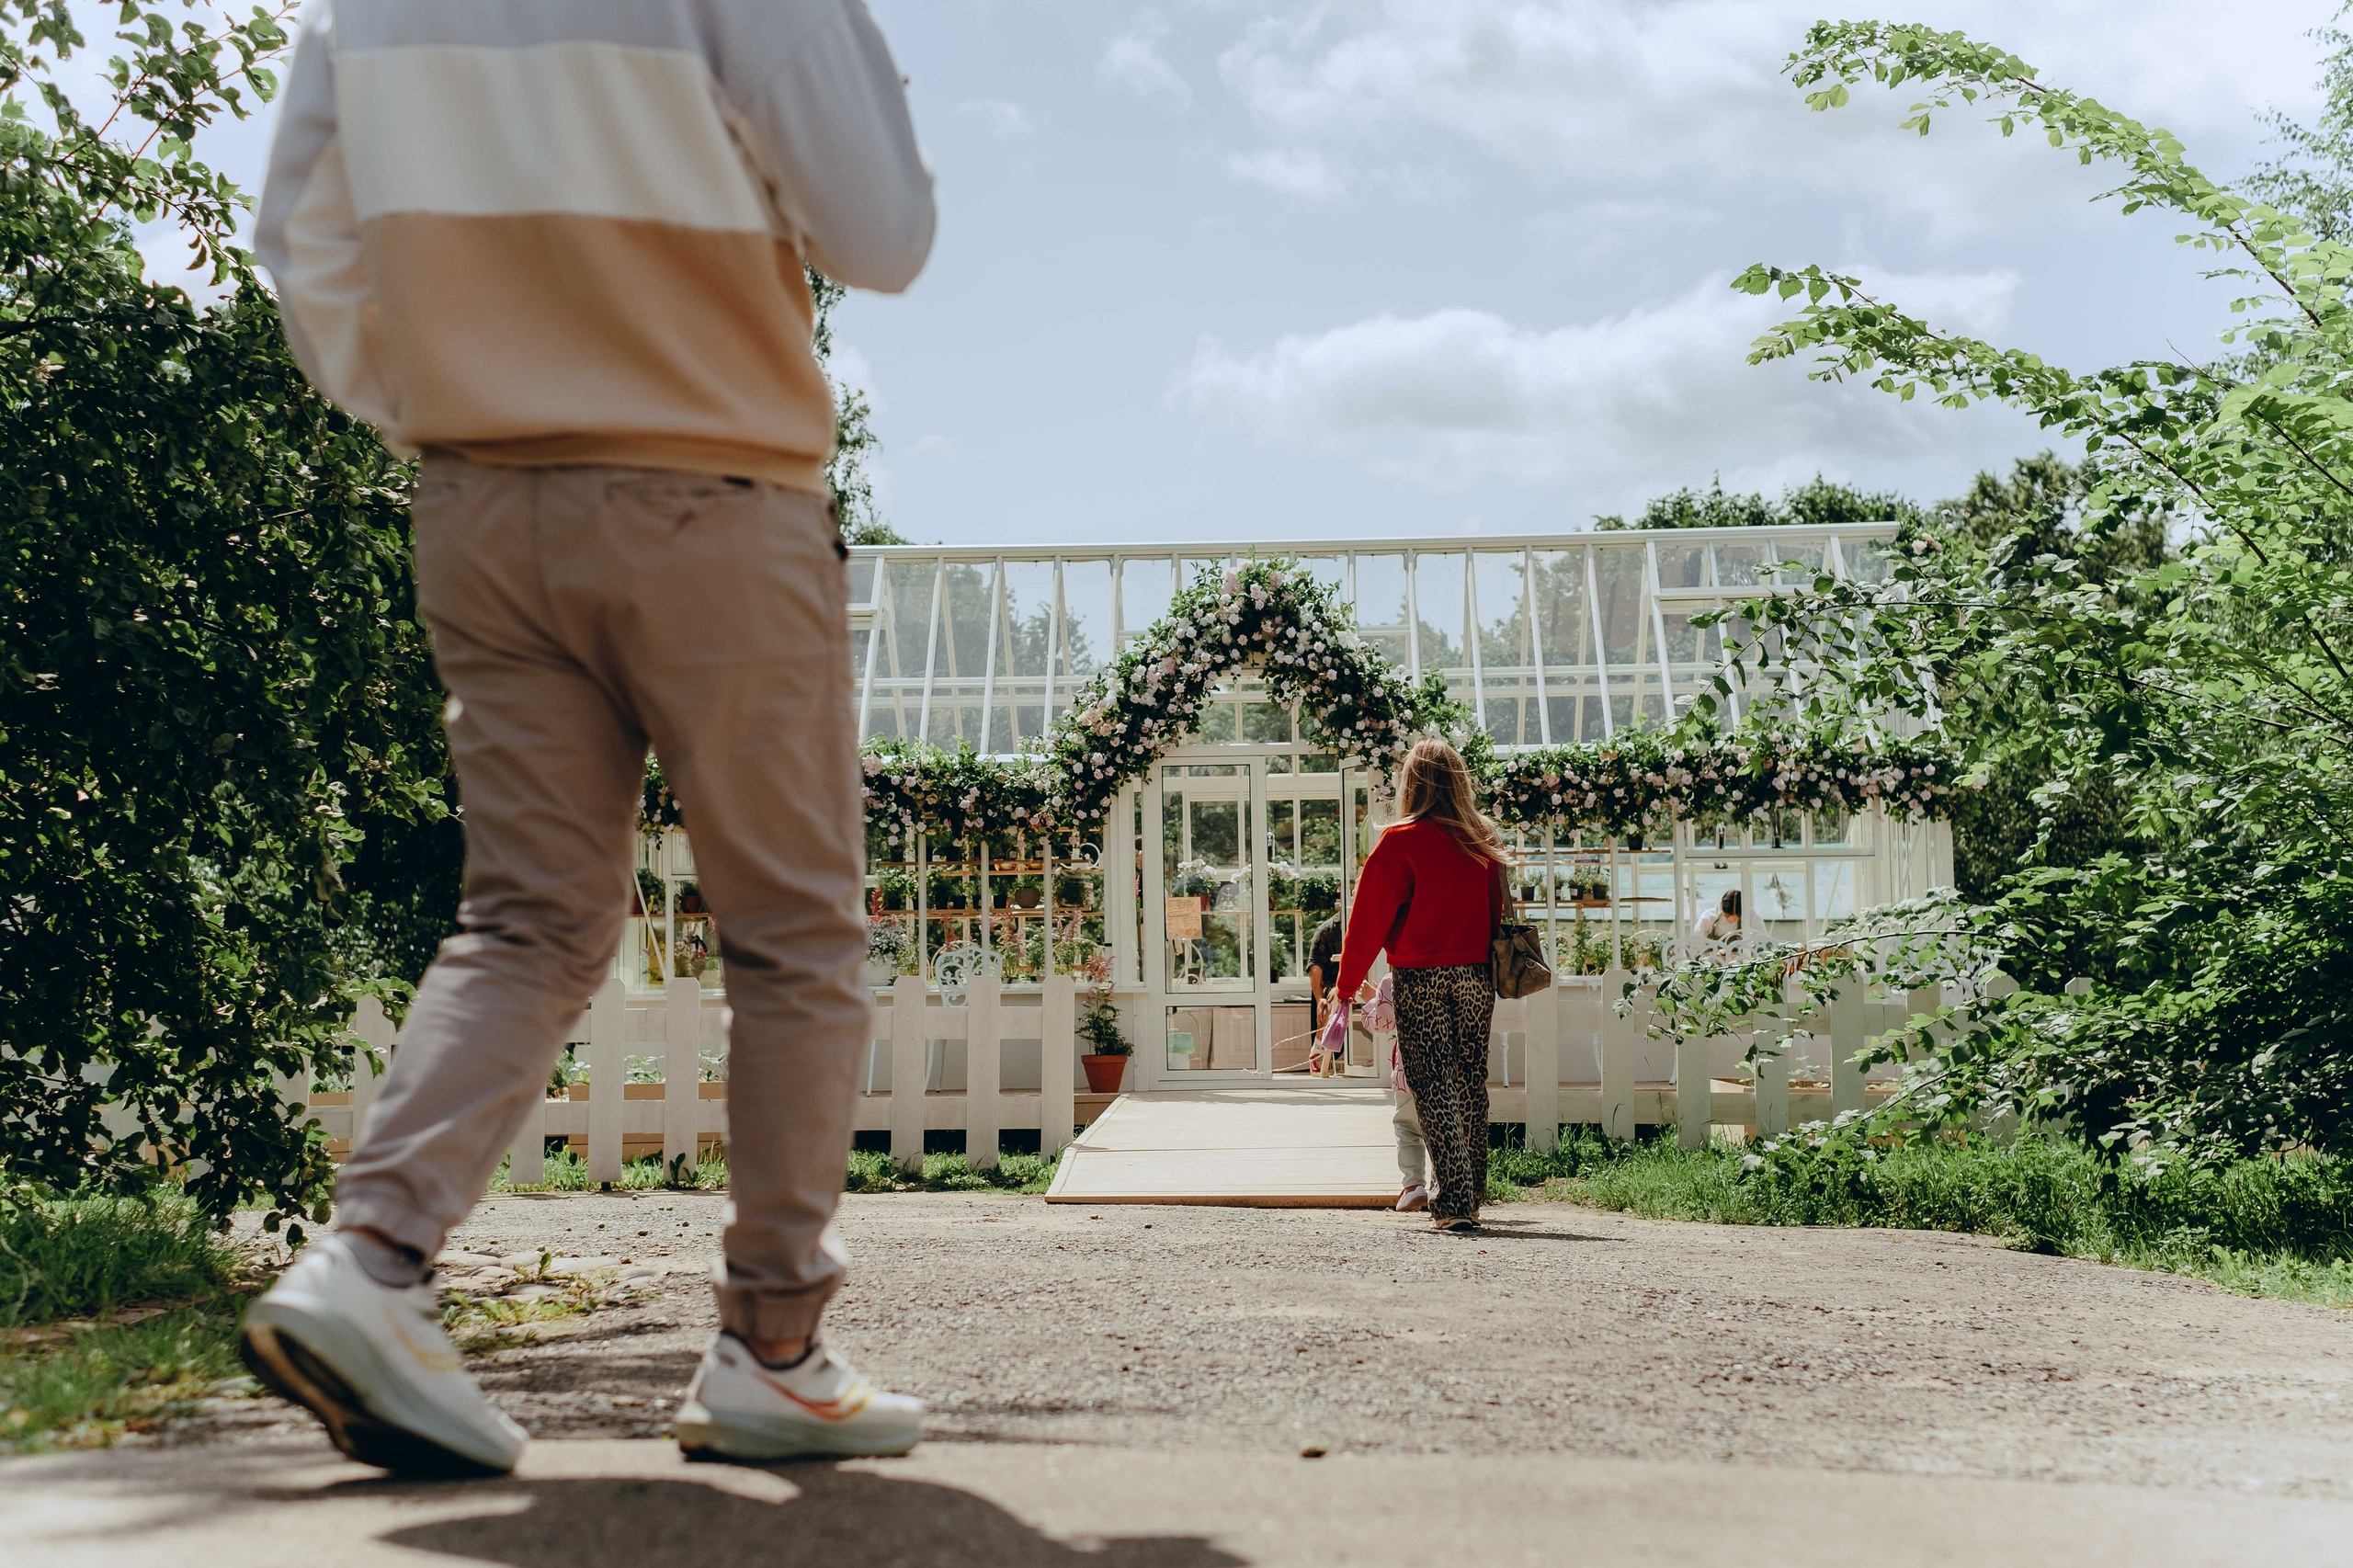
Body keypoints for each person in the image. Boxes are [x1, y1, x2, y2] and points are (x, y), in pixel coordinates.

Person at [237, 0, 936, 1475]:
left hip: (482, 503)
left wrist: (452, 411)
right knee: (792, 936)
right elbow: (881, 231)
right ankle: (774, 1349)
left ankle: (370, 1258)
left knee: (528, 920)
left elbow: (301, 241)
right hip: (711, 493)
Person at [1336, 739, 1506, 1232]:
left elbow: (1366, 922)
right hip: (1477, 975)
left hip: (1422, 977)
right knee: (1470, 1080)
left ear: (1412, 784)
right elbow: (1495, 915)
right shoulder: (1482, 841)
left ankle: (1453, 1203)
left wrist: (1345, 988)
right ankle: (1470, 1191)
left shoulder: (1400, 841)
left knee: (1432, 1084)